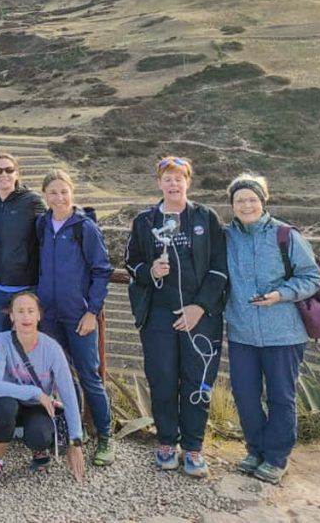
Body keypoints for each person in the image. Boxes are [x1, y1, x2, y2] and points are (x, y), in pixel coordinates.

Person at [124, 156, 228, 477]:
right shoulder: (145, 221)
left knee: (197, 381)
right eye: (167, 179)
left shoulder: (205, 218)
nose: (173, 184)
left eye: (178, 178)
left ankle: (194, 447)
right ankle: (167, 442)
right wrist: (150, 270)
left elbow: (219, 268)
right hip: (158, 317)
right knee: (163, 379)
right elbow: (131, 263)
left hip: (201, 317)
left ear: (188, 182)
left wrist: (200, 307)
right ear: (159, 184)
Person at [225, 174, 320, 484]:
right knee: (245, 395)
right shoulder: (226, 237)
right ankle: (255, 450)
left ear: (263, 201)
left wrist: (281, 294)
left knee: (281, 396)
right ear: (232, 205)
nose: (247, 204)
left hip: (284, 332)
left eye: (252, 199)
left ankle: (277, 457)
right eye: (240, 200)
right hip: (242, 332)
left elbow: (311, 277)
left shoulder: (285, 235)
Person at [36, 169, 116, 467]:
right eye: (53, 192)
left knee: (89, 376)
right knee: (57, 377)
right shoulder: (41, 225)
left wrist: (92, 312)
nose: (59, 197)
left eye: (63, 191)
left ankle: (106, 437)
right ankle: (70, 431)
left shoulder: (84, 228)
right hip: (50, 317)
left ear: (72, 192)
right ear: (45, 195)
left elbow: (102, 270)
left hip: (79, 316)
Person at [0, 292, 85, 490]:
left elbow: (68, 394)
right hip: (16, 402)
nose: (25, 317)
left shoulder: (51, 348)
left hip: (38, 407)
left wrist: (75, 441)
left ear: (38, 316)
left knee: (40, 436)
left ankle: (38, 449)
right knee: (6, 404)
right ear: (12, 316)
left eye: (30, 311)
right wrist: (35, 392)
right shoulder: (2, 341)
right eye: (20, 311)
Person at [0, 153, 46, 340]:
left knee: (27, 340)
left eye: (9, 170)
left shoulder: (32, 201)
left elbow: (50, 230)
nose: (4, 174)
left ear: (17, 174)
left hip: (25, 287)